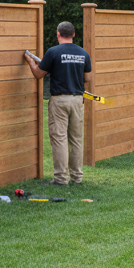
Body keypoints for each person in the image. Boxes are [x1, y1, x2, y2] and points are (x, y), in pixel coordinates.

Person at [25, 21, 92, 186]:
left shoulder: (53, 52)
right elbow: (88, 78)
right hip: (77, 99)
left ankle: (61, 179)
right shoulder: (84, 53)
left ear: (58, 34)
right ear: (74, 35)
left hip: (59, 100)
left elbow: (39, 74)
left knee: (60, 138)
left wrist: (30, 61)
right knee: (76, 139)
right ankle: (77, 177)